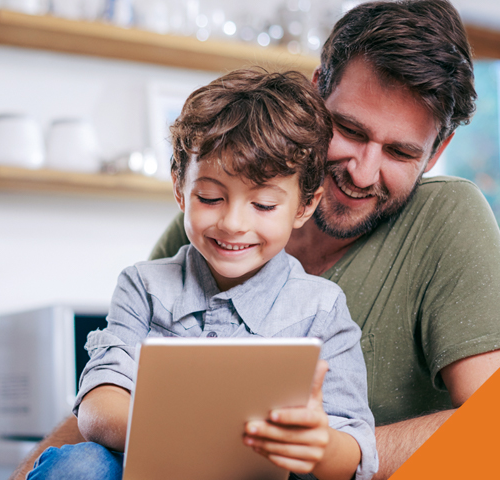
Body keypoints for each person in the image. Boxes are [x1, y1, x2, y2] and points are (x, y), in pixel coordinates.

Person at [11, 1, 500, 479]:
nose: (363, 170)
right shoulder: (210, 231)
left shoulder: (444, 219)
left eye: (400, 153)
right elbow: (115, 380)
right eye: (349, 129)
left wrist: (306, 449)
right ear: (314, 97)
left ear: (436, 151)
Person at [27, 69, 378, 480]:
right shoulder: (144, 286)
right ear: (180, 187)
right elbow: (98, 407)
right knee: (80, 465)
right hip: (148, 469)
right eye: (210, 197)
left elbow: (353, 455)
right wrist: (195, 433)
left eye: (263, 205)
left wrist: (321, 445)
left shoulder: (320, 308)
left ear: (304, 206)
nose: (232, 223)